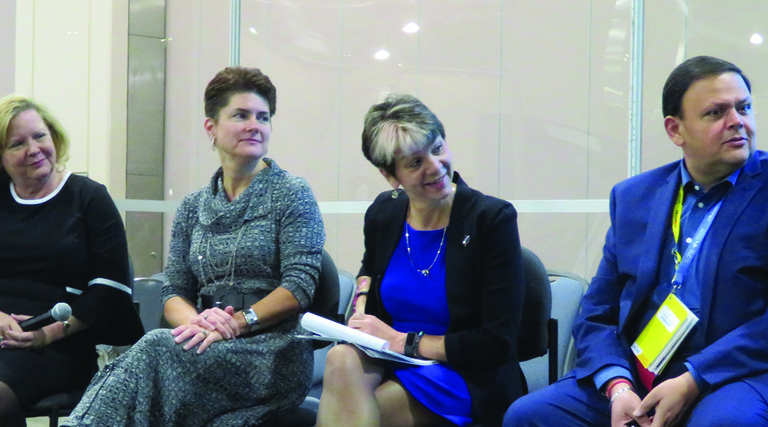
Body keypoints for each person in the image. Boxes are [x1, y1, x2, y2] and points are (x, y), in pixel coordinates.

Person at [504, 56, 768, 427]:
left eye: (744, 107)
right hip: (639, 372)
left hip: (733, 372)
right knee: (529, 416)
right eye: (715, 112)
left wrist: (694, 377)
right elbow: (597, 311)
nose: (737, 121)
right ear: (676, 130)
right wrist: (617, 385)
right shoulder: (635, 197)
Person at [63, 66, 326, 426]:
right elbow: (174, 290)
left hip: (271, 352)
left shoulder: (292, 193)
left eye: (263, 117)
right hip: (207, 342)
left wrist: (237, 323)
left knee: (155, 349)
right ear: (211, 128)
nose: (255, 125)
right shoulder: (193, 206)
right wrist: (199, 325)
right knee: (154, 356)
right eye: (241, 115)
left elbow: (299, 286)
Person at [317, 94, 525, 427]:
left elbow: (496, 343)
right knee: (340, 357)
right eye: (415, 163)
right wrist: (360, 310)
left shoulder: (491, 219)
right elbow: (368, 274)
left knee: (354, 416)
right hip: (391, 357)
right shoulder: (384, 213)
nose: (435, 166)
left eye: (438, 148)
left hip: (462, 373)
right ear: (391, 176)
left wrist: (404, 342)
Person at [0, 95, 144, 426]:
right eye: (17, 144)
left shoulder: (88, 197)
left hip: (58, 345)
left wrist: (45, 334)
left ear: (53, 136)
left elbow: (110, 290)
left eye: (39, 136)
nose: (33, 149)